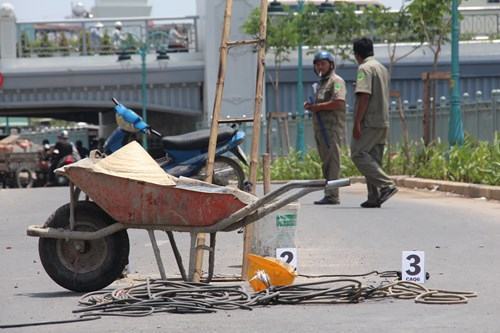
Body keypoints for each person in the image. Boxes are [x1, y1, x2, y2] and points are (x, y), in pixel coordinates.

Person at [351, 37, 398, 208]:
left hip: (369, 121)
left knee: (358, 154)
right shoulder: (382, 68)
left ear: (357, 54)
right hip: (382, 119)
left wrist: (357, 122)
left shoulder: (364, 68)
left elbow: (364, 95)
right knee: (373, 159)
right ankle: (374, 196)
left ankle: (386, 185)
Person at [304, 51, 347, 205]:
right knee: (325, 161)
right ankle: (328, 192)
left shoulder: (336, 81)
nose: (320, 67)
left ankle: (333, 195)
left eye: (323, 63)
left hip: (332, 128)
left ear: (331, 64)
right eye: (317, 64)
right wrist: (311, 106)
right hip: (320, 129)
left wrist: (317, 107)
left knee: (333, 161)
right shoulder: (320, 83)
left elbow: (339, 102)